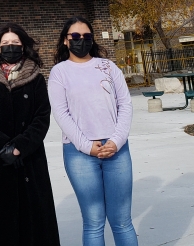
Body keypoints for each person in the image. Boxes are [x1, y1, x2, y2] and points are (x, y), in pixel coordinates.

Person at [47, 16, 137, 246]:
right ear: (65, 40)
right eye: (75, 36)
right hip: (80, 153)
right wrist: (87, 147)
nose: (81, 40)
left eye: (86, 36)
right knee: (94, 221)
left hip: (116, 150)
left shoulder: (108, 67)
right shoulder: (59, 72)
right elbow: (61, 113)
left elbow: (125, 104)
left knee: (122, 221)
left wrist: (116, 141)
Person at [0, 23, 61, 246]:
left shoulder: (36, 78)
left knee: (34, 222)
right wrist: (2, 146)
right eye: (5, 43)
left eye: (15, 43)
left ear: (23, 46)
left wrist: (20, 145)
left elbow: (42, 117)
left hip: (29, 159)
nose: (10, 47)